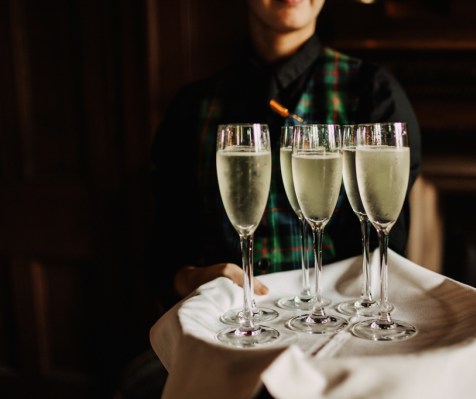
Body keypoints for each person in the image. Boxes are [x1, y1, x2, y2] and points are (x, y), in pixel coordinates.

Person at [147, 0, 421, 312]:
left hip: (340, 325)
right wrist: (192, 278)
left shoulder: (373, 94)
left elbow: (386, 249)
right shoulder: (192, 106)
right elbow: (164, 259)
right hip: (228, 324)